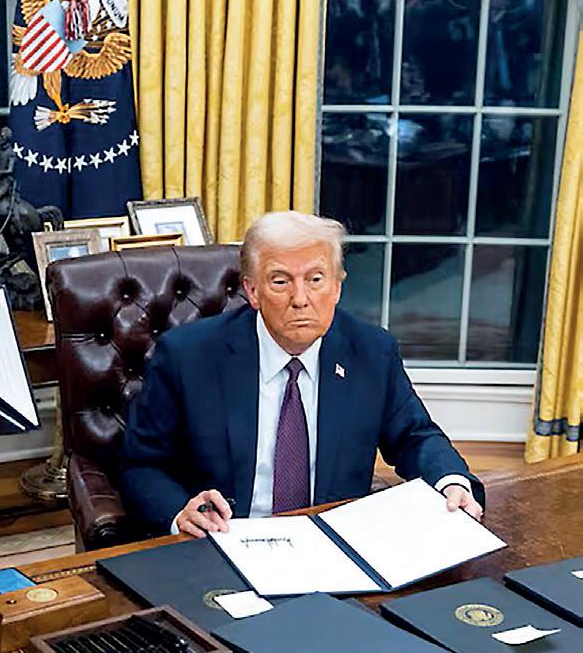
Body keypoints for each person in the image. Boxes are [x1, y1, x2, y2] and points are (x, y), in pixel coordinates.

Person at [119, 211, 484, 539]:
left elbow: (415, 437)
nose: (300, 299)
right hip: (224, 541)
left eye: (316, 279)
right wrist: (179, 513)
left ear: (337, 287)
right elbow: (141, 464)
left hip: (333, 544)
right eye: (280, 282)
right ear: (252, 291)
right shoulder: (188, 356)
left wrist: (451, 482)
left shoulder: (372, 352)